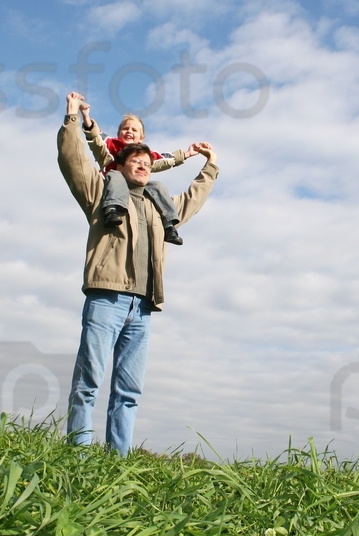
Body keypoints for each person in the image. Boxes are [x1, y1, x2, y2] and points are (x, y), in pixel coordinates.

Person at [57, 92, 219, 456]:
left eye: (148, 161)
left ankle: (118, 461)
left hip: (143, 309)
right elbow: (74, 161)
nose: (143, 164)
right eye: (136, 160)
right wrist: (72, 118)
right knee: (88, 384)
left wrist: (210, 165)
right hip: (107, 298)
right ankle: (77, 456)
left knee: (128, 392)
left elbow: (192, 197)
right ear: (122, 163)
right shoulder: (102, 193)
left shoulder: (159, 207)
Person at [80, 104, 204, 246]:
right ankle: (111, 210)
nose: (129, 131)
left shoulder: (143, 154)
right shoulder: (112, 145)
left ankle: (169, 225)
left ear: (141, 138)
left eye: (134, 130)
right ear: (119, 132)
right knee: (116, 175)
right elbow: (97, 137)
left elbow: (162, 160)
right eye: (125, 129)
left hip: (136, 188)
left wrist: (186, 154)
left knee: (157, 186)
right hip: (112, 187)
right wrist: (86, 118)